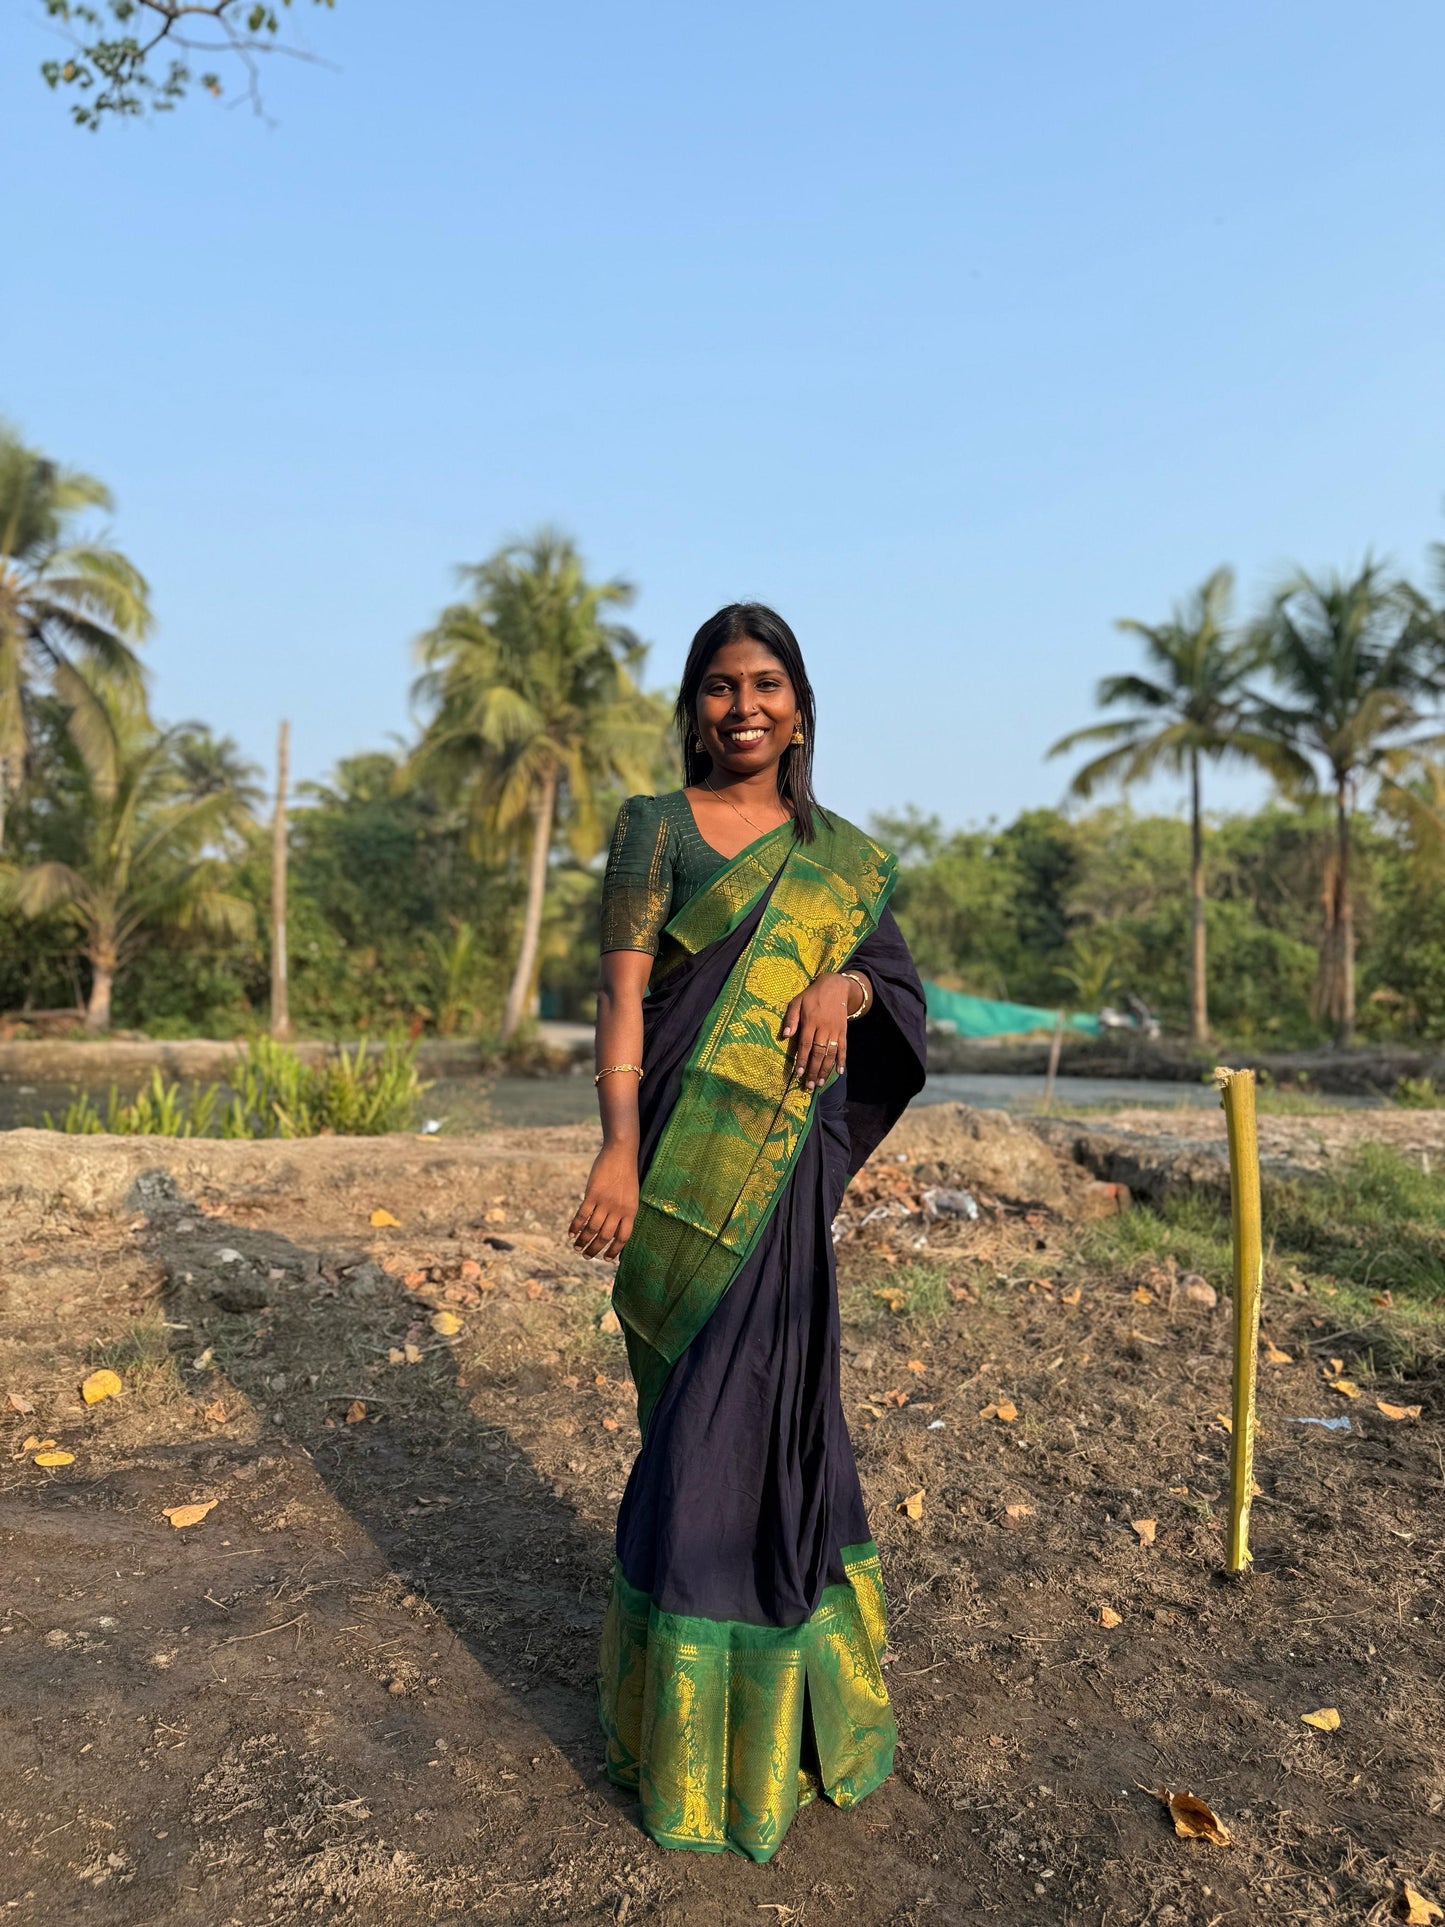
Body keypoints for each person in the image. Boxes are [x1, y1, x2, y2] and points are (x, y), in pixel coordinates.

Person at [569, 602, 927, 1862]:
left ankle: (795, 1725)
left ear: (798, 703)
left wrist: (847, 981)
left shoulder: (837, 857)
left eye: (764, 684)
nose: (742, 708)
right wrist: (616, 1147)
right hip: (675, 1162)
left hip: (775, 1185)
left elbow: (900, 994)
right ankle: (684, 1734)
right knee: (691, 1419)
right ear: (694, 703)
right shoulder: (652, 829)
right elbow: (621, 995)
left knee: (773, 1407)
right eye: (719, 687)